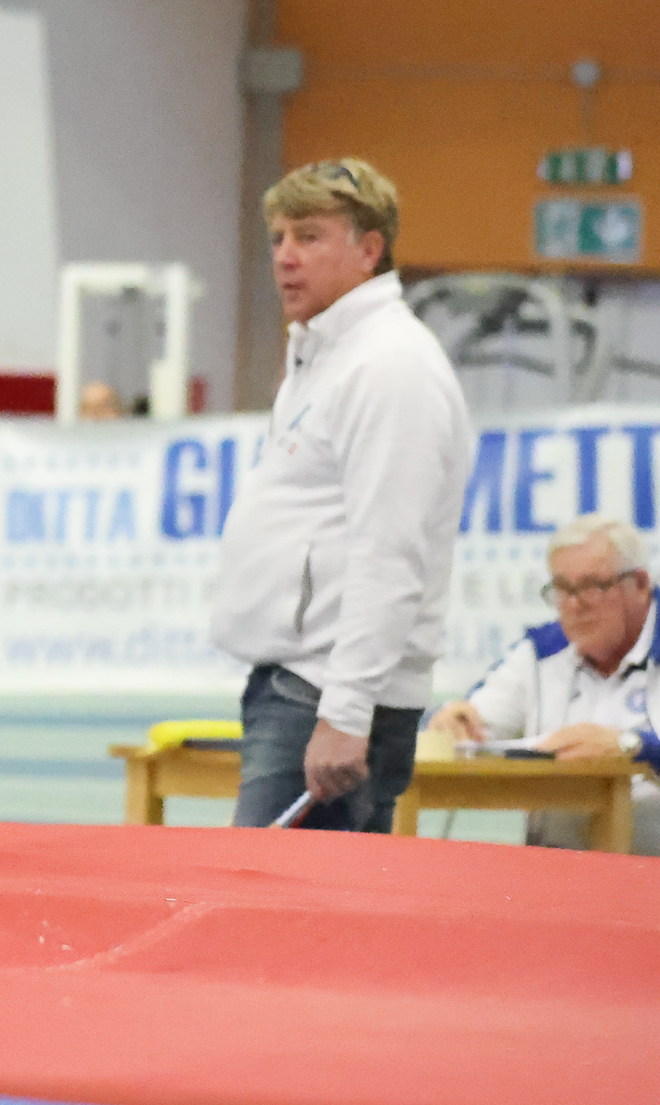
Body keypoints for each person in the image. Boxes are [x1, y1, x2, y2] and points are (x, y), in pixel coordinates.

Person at [209, 158, 470, 834]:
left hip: (329, 698)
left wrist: (346, 714)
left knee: (267, 901)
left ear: (368, 249)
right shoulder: (326, 355)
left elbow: (391, 553)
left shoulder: (389, 366)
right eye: (278, 238)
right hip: (302, 688)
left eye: (309, 236)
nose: (285, 257)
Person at [429, 514, 658, 854]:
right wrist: (455, 720)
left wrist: (634, 745)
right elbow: (476, 719)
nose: (575, 604)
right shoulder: (542, 651)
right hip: (556, 864)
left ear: (639, 584)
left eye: (592, 586)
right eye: (562, 588)